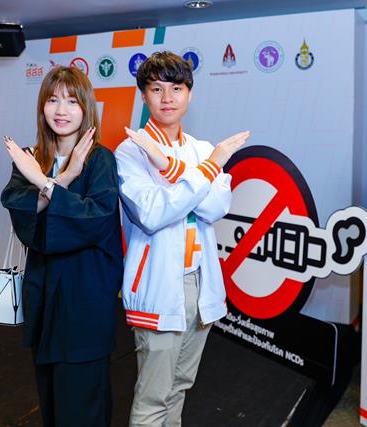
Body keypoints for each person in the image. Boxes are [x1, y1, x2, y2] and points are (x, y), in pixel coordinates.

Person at [115, 51, 249, 426]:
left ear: (189, 93)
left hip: (201, 282)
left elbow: (216, 207)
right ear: (144, 95)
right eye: (156, 89)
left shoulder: (201, 149)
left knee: (179, 388)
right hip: (159, 283)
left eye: (176, 88)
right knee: (153, 397)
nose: (167, 97)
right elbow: (152, 213)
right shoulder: (131, 150)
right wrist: (207, 169)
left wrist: (171, 168)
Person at [0, 65, 123, 427]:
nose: (61, 110)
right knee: (51, 401)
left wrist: (43, 183)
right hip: (43, 295)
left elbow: (96, 218)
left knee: (82, 405)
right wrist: (62, 179)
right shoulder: (31, 156)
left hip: (84, 299)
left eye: (71, 101)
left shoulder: (100, 159)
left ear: (86, 107)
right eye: (52, 100)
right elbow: (22, 216)